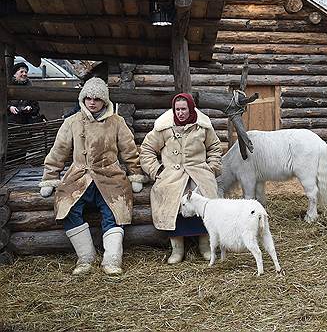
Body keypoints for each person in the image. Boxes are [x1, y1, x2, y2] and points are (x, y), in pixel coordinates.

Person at [37, 77, 145, 275]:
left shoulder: (117, 122)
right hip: (79, 176)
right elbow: (58, 151)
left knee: (115, 211)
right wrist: (50, 175)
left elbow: (129, 150)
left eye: (97, 98)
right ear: (83, 98)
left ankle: (112, 259)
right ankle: (86, 258)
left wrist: (135, 174)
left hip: (110, 177)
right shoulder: (73, 122)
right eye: (88, 97)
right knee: (66, 207)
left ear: (105, 100)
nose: (92, 102)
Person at [140, 93, 222, 264]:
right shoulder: (163, 128)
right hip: (172, 175)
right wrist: (157, 170)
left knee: (205, 202)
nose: (180, 113)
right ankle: (177, 249)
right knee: (172, 201)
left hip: (199, 172)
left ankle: (205, 245)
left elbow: (214, 147)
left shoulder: (203, 127)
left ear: (190, 108)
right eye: (177, 109)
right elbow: (147, 149)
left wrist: (211, 168)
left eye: (183, 109)